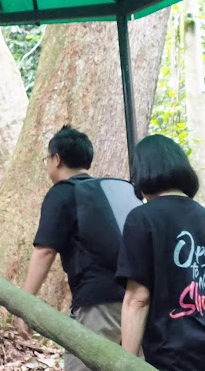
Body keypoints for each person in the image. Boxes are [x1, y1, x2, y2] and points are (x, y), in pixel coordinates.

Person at [116, 134, 205, 370]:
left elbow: (138, 299)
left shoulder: (142, 218)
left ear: (141, 173)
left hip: (178, 357)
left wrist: (125, 364)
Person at [14, 126, 126, 371]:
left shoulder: (63, 193)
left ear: (57, 159)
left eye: (47, 159)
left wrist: (22, 305)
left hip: (98, 301)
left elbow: (45, 251)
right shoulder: (109, 190)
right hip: (135, 298)